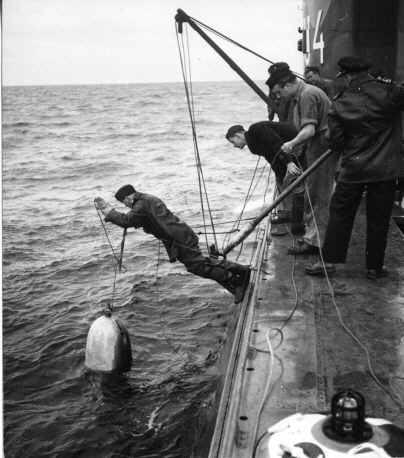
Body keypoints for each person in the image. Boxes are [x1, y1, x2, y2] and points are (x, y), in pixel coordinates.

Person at [305, 56, 404, 279]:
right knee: (379, 218)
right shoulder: (392, 92)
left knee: (340, 214)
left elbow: (336, 143)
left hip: (353, 170)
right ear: (368, 71)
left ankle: (329, 263)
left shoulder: (340, 102)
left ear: (346, 75)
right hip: (386, 169)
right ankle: (374, 267)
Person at [95, 185, 251, 303]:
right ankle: (240, 270)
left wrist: (106, 210)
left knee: (197, 266)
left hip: (179, 237)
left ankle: (236, 280)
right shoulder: (146, 199)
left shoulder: (141, 204)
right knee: (199, 263)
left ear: (129, 198)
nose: (125, 206)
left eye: (124, 203)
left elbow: (126, 220)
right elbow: (142, 219)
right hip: (180, 234)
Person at [267, 63, 338, 254]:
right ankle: (315, 237)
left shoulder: (306, 95)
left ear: (288, 86)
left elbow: (309, 130)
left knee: (318, 195)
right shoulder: (304, 93)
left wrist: (290, 144)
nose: (278, 97)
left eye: (279, 93)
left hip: (321, 144)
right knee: (314, 193)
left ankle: (317, 243)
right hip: (317, 144)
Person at [225, 121, 301, 225]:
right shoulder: (253, 148)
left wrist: (289, 162)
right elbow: (271, 158)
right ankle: (285, 214)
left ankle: (301, 212)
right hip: (286, 151)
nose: (234, 146)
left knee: (299, 181)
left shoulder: (256, 129)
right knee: (281, 179)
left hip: (297, 141)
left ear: (238, 135)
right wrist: (281, 175)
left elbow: (276, 141)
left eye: (232, 142)